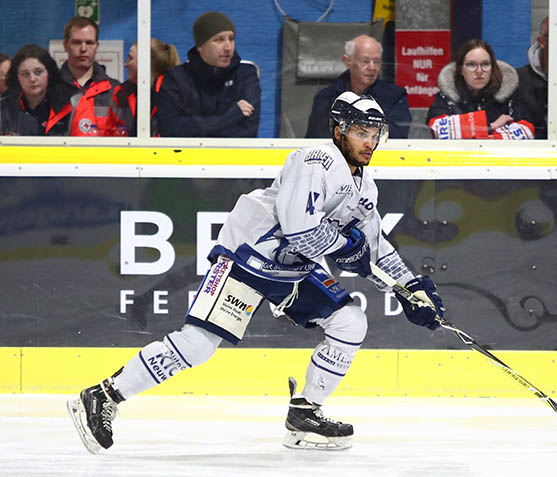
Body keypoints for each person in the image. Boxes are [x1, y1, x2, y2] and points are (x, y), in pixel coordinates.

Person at [67, 91, 446, 453]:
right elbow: (301, 229)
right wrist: (347, 247)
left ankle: (305, 413)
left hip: (289, 267)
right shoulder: (316, 160)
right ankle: (104, 395)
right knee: (198, 345)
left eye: (374, 133)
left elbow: (376, 245)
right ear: (337, 131)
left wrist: (411, 287)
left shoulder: (366, 188)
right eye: (360, 132)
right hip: (248, 255)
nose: (369, 141)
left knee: (349, 321)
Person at [156, 11, 261, 138]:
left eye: (231, 39)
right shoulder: (177, 78)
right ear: (201, 46)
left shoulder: (245, 75)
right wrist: (231, 116)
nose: (228, 47)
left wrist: (197, 128)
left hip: (233, 157)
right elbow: (171, 129)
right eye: (219, 40)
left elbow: (248, 133)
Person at [305, 35, 411, 139]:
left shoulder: (395, 96)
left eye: (377, 62)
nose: (372, 67)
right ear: (347, 62)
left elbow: (397, 135)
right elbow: (316, 137)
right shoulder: (326, 97)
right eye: (365, 61)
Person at [426, 39, 534, 139]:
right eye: (471, 65)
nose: (479, 71)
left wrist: (466, 132)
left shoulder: (510, 96)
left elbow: (527, 131)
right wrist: (491, 126)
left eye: (485, 64)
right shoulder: (445, 98)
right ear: (461, 70)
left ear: (492, 67)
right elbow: (438, 131)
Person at [60, 16, 120, 136]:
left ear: (97, 46)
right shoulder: (51, 88)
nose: (83, 49)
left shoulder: (114, 90)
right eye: (76, 42)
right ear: (65, 45)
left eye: (89, 43)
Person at [108, 38, 180, 136]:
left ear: (145, 61)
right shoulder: (121, 95)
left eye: (130, 58)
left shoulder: (174, 95)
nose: (126, 64)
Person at [0, 45, 77, 136]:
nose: (32, 79)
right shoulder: (3, 108)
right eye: (25, 74)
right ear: (17, 77)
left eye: (38, 72)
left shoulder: (70, 106)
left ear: (49, 73)